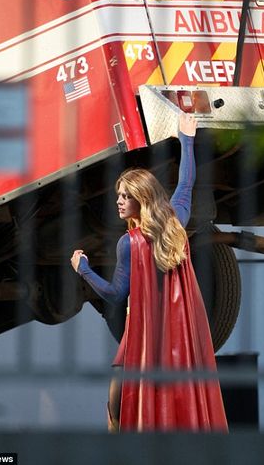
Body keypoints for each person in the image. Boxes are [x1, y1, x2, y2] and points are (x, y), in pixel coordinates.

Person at [71, 113, 227, 432]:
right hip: (176, 328)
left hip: (144, 327)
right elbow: (186, 181)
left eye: (126, 196)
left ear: (141, 199)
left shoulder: (129, 243)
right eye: (119, 195)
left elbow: (115, 294)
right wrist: (187, 139)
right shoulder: (176, 223)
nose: (119, 201)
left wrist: (83, 270)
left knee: (120, 387)